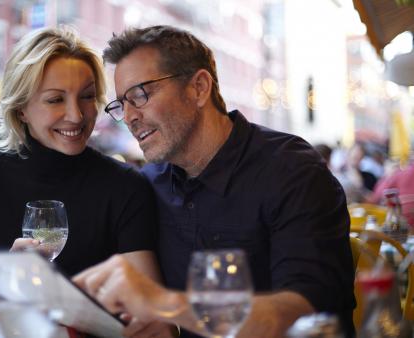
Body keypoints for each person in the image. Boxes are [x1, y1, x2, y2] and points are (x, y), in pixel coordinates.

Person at [75, 25, 355, 338]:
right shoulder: (148, 185)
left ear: (199, 88)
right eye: (121, 104)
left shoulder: (292, 171)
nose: (128, 117)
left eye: (140, 95)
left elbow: (304, 316)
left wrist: (163, 304)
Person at [0, 26, 169, 336]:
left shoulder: (125, 186)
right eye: (55, 100)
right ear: (21, 109)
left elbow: (151, 313)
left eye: (87, 97)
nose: (76, 115)